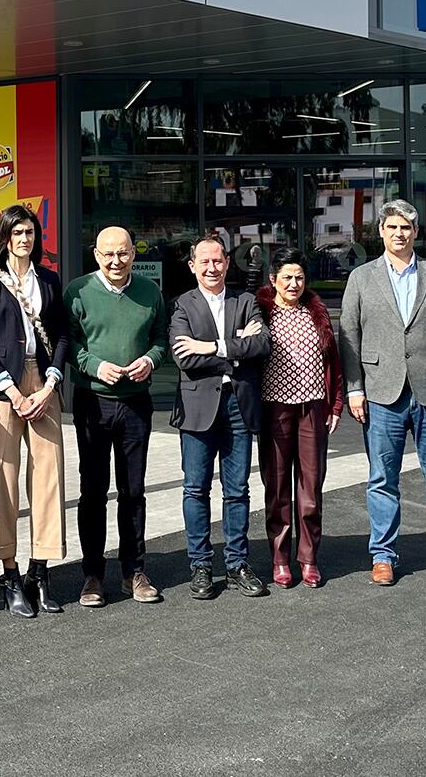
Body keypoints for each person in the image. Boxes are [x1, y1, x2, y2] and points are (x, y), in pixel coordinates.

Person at [339, 200, 426, 588]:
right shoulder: (362, 278)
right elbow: (349, 336)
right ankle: (383, 555)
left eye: (407, 228)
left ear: (416, 232)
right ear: (380, 231)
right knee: (382, 479)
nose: (400, 234)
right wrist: (354, 389)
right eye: (393, 227)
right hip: (381, 393)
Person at [0, 203, 71, 617]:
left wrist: (50, 384)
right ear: (5, 239)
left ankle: (39, 572)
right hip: (2, 389)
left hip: (43, 382)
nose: (24, 239)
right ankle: (9, 574)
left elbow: (62, 334)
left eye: (30, 232)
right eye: (17, 233)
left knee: (49, 477)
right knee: (1, 481)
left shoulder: (48, 279)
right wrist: (13, 392)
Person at [65, 226, 169, 608]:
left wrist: (150, 360)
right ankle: (93, 575)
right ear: (96, 255)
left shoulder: (149, 292)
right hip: (93, 401)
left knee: (134, 491)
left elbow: (162, 339)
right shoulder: (77, 292)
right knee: (92, 492)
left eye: (123, 253)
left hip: (136, 403)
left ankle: (133, 572)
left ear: (133, 254)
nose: (116, 261)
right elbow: (67, 342)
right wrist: (93, 365)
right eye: (108, 254)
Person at [169, 233, 270, 599]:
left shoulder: (246, 301)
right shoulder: (182, 305)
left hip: (238, 406)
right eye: (205, 262)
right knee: (195, 488)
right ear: (193, 266)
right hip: (197, 409)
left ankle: (237, 564)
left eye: (218, 260)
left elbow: (261, 345)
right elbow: (184, 358)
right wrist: (235, 349)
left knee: (237, 490)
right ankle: (200, 566)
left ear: (228, 262)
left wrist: (212, 346)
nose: (212, 267)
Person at [255, 248, 344, 588]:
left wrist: (335, 405)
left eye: (299, 277)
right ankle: (279, 558)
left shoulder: (316, 312)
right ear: (273, 280)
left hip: (313, 407)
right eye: (287, 277)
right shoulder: (260, 312)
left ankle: (308, 558)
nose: (294, 284)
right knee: (277, 487)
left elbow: (333, 363)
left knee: (310, 486)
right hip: (274, 408)